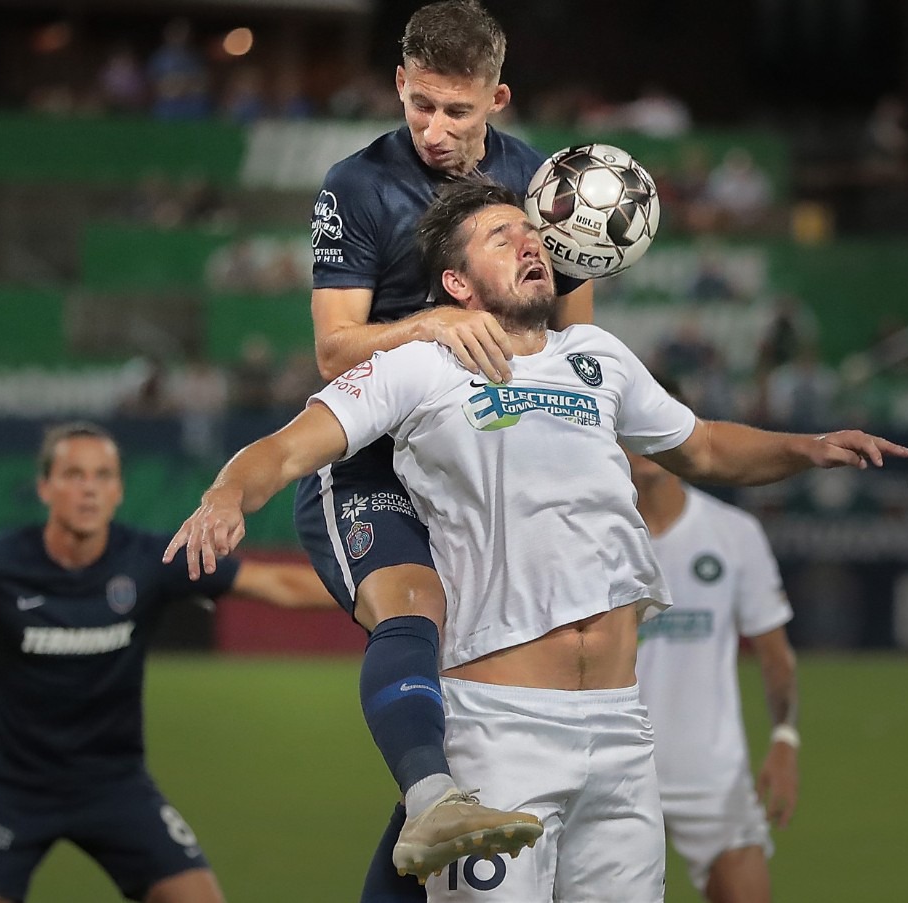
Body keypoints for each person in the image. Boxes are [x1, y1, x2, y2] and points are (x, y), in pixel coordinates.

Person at [164, 179, 908, 901]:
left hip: (621, 724)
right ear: (456, 283)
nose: (531, 244)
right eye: (502, 236)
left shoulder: (600, 357)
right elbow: (290, 447)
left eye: (531, 232)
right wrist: (228, 491)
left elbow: (706, 446)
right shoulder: (420, 364)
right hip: (498, 725)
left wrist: (806, 446)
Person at [299, 0, 595, 885]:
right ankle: (430, 795)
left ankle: (430, 807)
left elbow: (574, 340)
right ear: (400, 82)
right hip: (373, 458)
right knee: (412, 610)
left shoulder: (545, 188)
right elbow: (333, 349)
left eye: (456, 110)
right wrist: (432, 321)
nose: (433, 127)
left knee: (472, 717)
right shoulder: (355, 186)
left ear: (497, 97)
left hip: (488, 465)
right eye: (420, 103)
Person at [0, 421, 336, 903]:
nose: (89, 489)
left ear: (119, 490)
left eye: (103, 475)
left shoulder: (151, 560)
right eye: (74, 474)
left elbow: (276, 584)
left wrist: (380, 591)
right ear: (45, 487)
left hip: (115, 786)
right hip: (11, 790)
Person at [629, 380, 799, 903]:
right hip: (618, 771)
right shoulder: (591, 533)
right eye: (630, 430)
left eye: (658, 426)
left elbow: (774, 653)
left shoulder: (733, 532)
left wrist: (785, 740)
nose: (645, 444)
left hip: (713, 773)